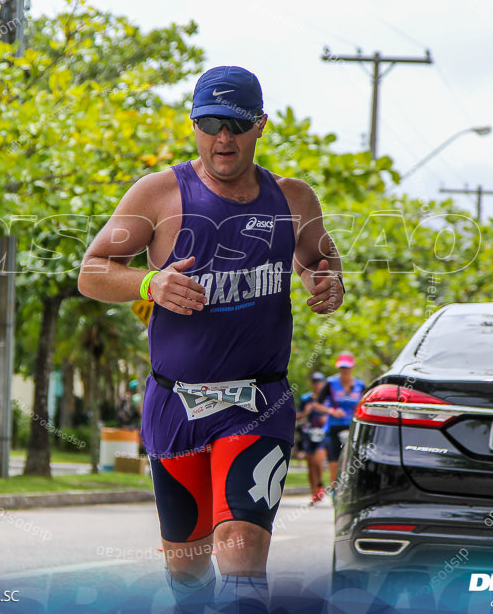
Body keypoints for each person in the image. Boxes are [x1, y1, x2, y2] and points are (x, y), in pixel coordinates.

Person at [78, 65, 344, 613]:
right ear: (193, 124)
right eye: (209, 123)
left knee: (240, 547)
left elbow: (322, 259)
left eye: (236, 124)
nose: (223, 138)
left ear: (261, 125)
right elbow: (92, 271)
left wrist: (327, 279)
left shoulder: (293, 199)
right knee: (189, 570)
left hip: (258, 403)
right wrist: (150, 281)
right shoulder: (158, 194)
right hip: (175, 404)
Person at [320, 352, 365, 495]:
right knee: (333, 460)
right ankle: (334, 489)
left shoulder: (360, 385)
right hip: (334, 427)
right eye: (342, 368)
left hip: (352, 427)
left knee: (352, 459)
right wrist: (331, 411)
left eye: (347, 368)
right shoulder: (331, 383)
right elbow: (317, 404)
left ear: (352, 368)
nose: (344, 371)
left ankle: (351, 489)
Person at [296, 372, 330, 505]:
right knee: (310, 464)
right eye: (315, 382)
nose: (317, 385)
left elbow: (333, 413)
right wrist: (306, 412)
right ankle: (314, 493)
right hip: (308, 435)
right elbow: (297, 416)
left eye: (320, 382)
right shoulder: (306, 399)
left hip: (322, 435)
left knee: (318, 460)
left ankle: (320, 484)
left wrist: (325, 417)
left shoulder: (327, 398)